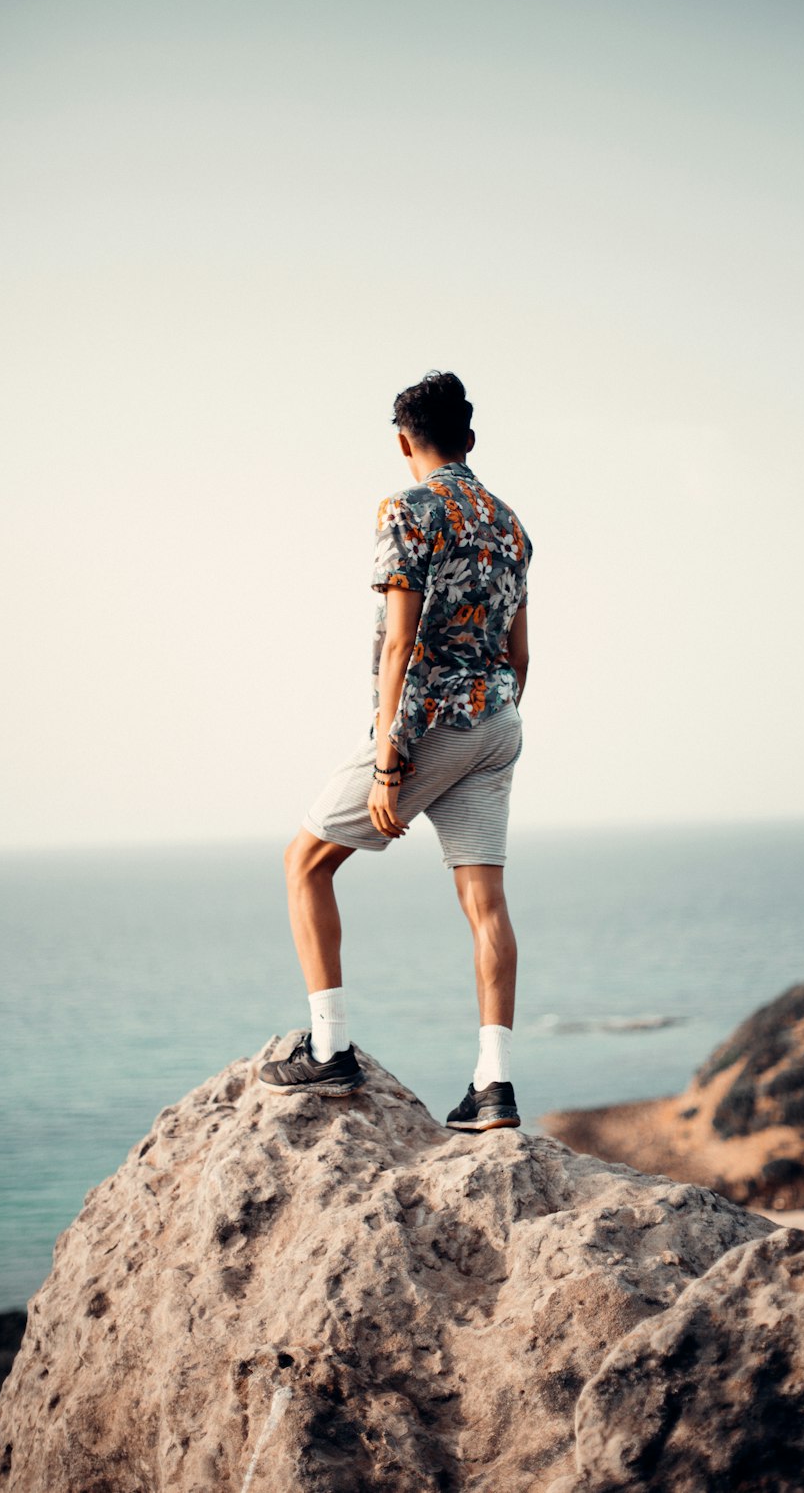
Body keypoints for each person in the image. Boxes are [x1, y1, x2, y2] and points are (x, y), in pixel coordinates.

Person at [259, 371, 532, 1132]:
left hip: (428, 721)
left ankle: (330, 1049)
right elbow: (520, 653)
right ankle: (493, 1088)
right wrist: (488, 724)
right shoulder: (512, 525)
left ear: (404, 441)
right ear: (469, 439)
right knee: (486, 905)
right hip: (498, 721)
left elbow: (401, 643)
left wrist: (390, 759)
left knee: (304, 862)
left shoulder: (407, 511)